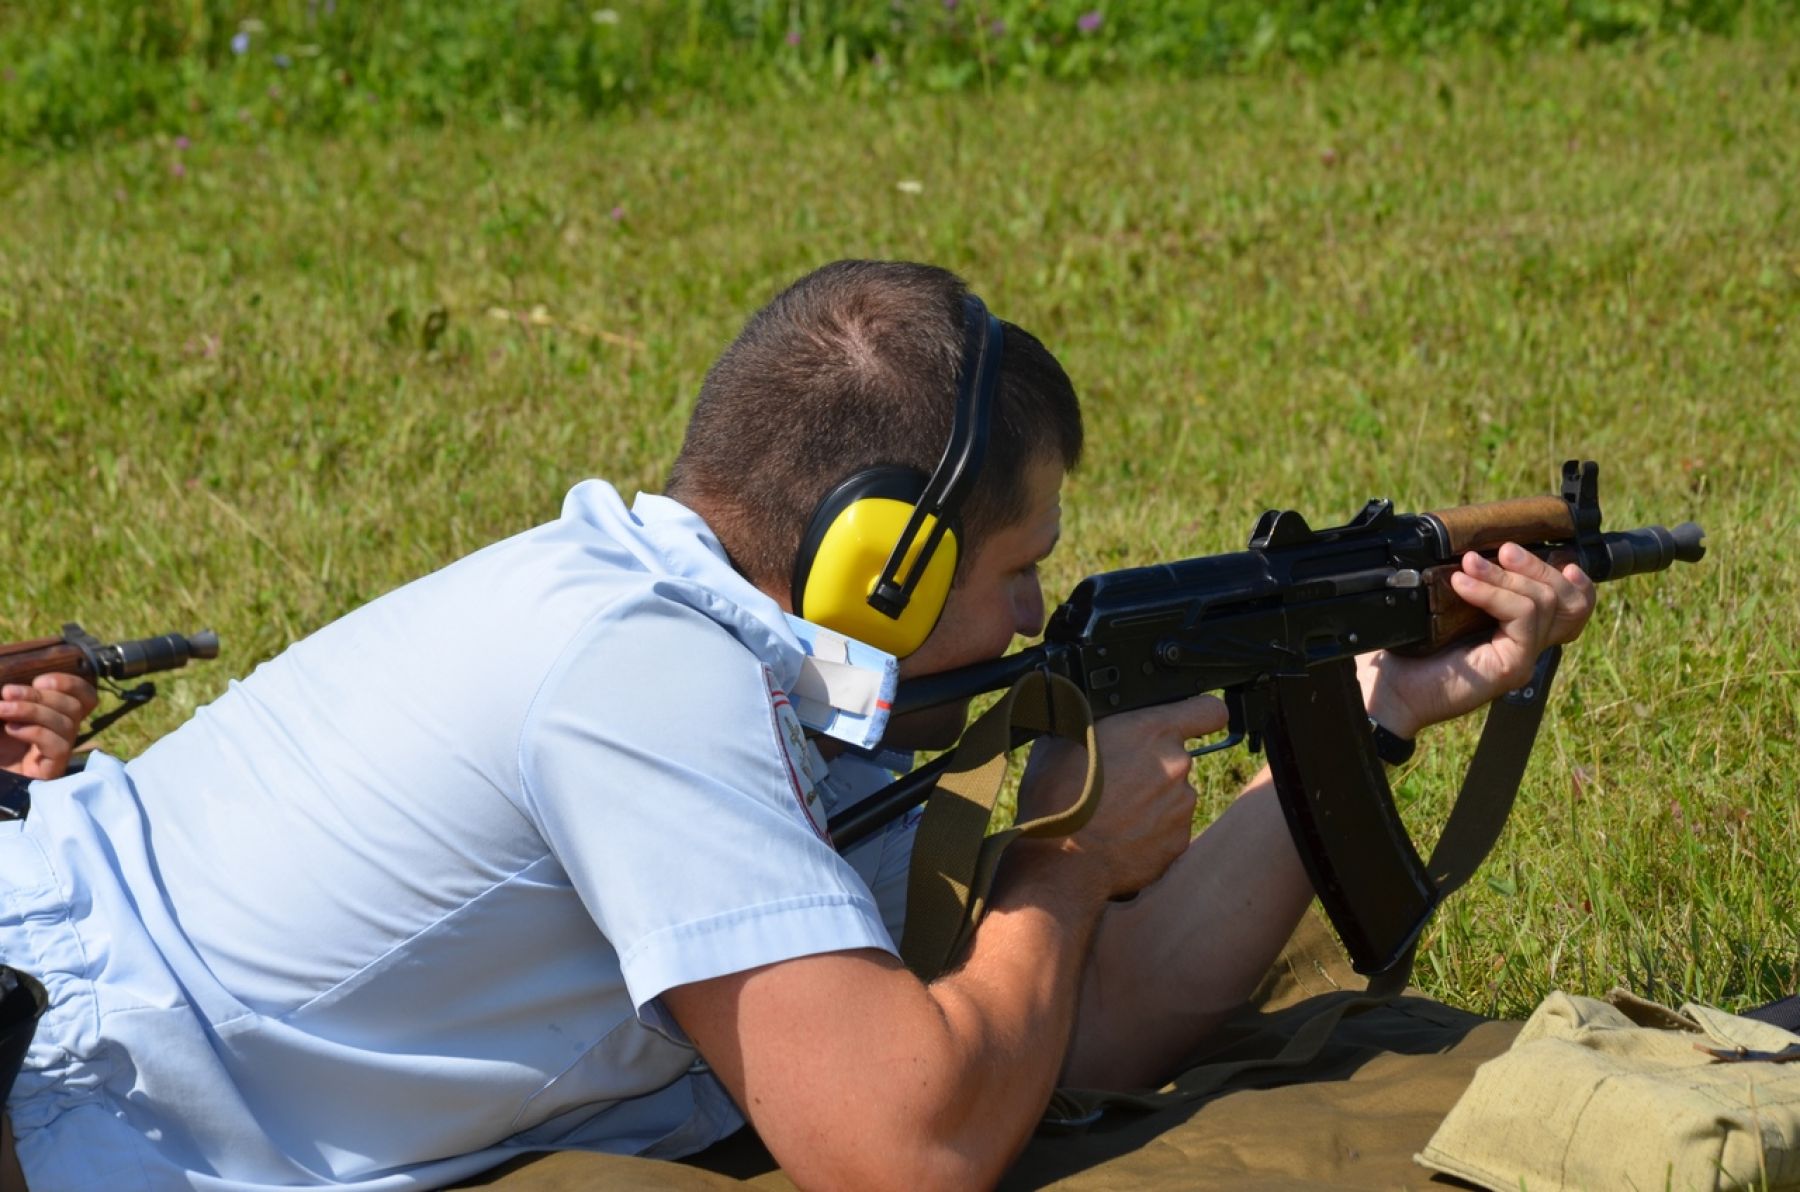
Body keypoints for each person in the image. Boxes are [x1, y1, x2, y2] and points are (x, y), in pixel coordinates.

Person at [0, 260, 1596, 1192]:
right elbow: (900, 1150)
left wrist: (1374, 721)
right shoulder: (637, 683)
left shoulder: (737, 673)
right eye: (1017, 568)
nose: (1033, 621)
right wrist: (1056, 863)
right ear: (880, 559)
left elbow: (1073, 1036)